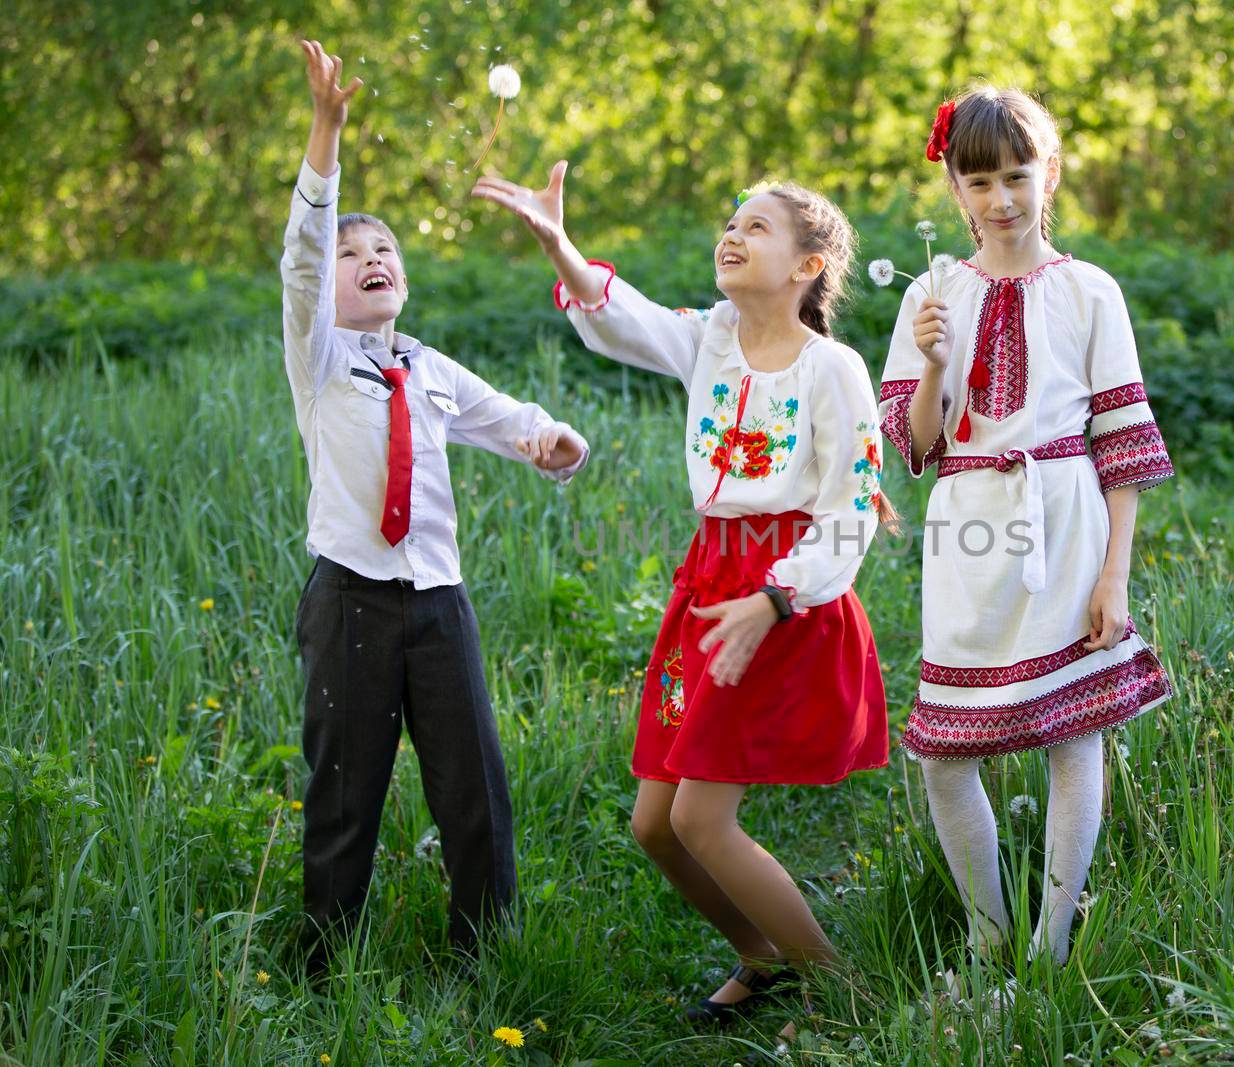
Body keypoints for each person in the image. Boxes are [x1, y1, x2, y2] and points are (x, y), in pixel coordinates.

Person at [473, 168, 888, 1021]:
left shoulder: (833, 369)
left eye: (758, 228)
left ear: (809, 265)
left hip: (782, 598)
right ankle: (760, 955)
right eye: (729, 223)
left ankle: (844, 992)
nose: (731, 236)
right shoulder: (710, 340)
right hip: (707, 585)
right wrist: (559, 244)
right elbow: (623, 320)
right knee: (654, 825)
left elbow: (854, 508)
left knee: (701, 818)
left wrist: (775, 597)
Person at [284, 39, 589, 973]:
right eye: (352, 253)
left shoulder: (430, 367)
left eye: (384, 250)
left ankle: (484, 955)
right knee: (345, 791)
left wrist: (557, 443)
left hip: (439, 602)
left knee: (475, 787)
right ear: (326, 291)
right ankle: (323, 964)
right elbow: (303, 255)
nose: (369, 258)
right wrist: (327, 133)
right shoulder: (321, 355)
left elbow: (518, 421)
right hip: (351, 600)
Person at [879, 86, 1174, 965]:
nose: (1001, 199)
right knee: (945, 755)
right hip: (968, 530)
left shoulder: (1089, 291)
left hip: (1067, 516)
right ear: (955, 192)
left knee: (1073, 736)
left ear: (1049, 173)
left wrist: (1113, 574)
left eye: (1016, 175)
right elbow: (919, 444)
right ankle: (987, 933)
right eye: (979, 182)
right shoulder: (931, 295)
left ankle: (1049, 946)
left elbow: (1122, 444)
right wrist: (932, 363)